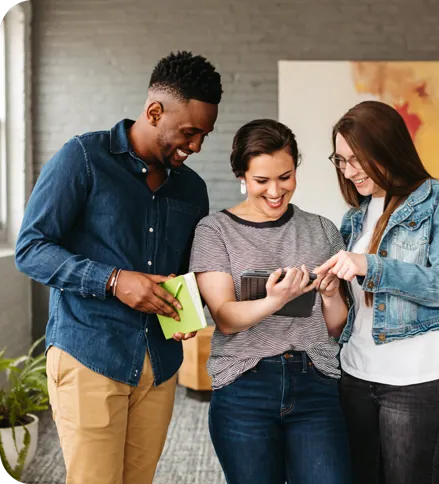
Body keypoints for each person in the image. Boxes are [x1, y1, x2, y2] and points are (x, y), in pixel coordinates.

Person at [15, 51, 222, 484]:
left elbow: (182, 272)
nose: (197, 146)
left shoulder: (192, 189)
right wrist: (113, 280)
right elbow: (31, 248)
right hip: (90, 353)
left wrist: (186, 313)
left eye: (204, 135)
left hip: (159, 366)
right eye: (189, 132)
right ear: (153, 111)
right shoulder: (83, 158)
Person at [189, 119, 352, 484]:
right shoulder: (215, 231)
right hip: (245, 386)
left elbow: (336, 325)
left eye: (286, 176)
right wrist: (276, 299)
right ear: (241, 175)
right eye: (262, 181)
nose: (276, 191)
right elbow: (225, 317)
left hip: (315, 382)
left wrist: (328, 295)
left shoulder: (323, 229)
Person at [318, 100, 439, 484]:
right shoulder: (354, 217)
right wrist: (331, 292)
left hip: (418, 383)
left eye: (357, 159)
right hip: (354, 375)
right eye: (340, 160)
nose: (349, 171)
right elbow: (355, 314)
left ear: (386, 149)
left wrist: (372, 266)